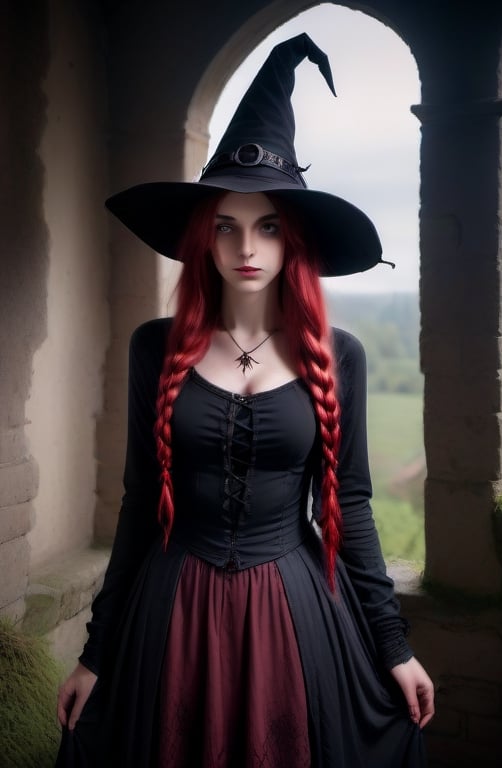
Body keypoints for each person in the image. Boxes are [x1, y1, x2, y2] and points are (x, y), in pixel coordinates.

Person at [56, 33, 434, 768]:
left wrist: (394, 648)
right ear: (204, 239)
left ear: (293, 240)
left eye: (266, 226)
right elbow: (140, 505)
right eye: (225, 226)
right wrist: (95, 654)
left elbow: (348, 505)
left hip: (295, 614)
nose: (245, 247)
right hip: (172, 614)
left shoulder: (339, 356)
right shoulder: (154, 347)